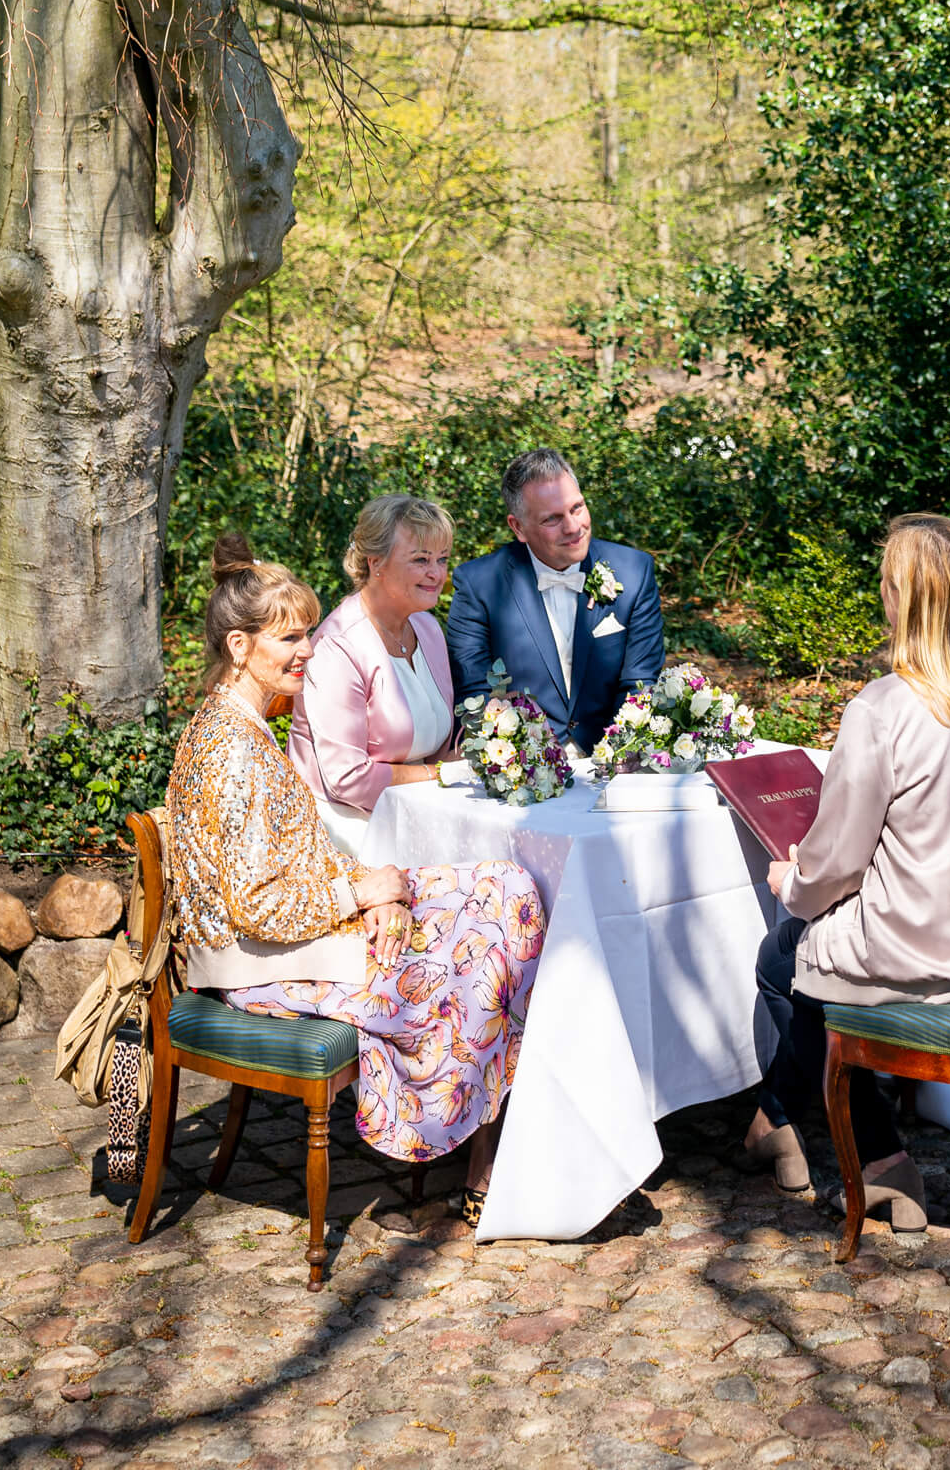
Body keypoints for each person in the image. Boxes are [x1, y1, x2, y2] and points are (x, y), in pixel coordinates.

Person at [167, 534, 545, 1222]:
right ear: (239, 648)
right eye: (290, 637)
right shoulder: (230, 749)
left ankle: (472, 1112)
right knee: (465, 956)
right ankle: (466, 1140)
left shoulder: (247, 724)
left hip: (306, 923)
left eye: (309, 632)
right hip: (260, 967)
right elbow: (256, 907)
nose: (307, 649)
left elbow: (299, 848)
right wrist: (360, 896)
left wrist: (378, 888)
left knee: (505, 889)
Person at [747, 514, 950, 1228]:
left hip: (922, 951)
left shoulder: (886, 707)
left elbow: (833, 869)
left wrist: (789, 882)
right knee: (808, 953)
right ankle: (774, 1127)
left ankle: (877, 1160)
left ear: (904, 600)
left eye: (888, 585)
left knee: (783, 957)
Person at [446, 447, 665, 751]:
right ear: (518, 527)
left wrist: (617, 756)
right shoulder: (479, 586)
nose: (573, 527)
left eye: (577, 508)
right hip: (522, 765)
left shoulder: (634, 572)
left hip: (614, 759)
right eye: (552, 519)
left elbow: (641, 684)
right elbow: (475, 693)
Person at [289, 495, 458, 857]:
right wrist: (438, 777)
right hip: (349, 827)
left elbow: (439, 747)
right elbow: (347, 781)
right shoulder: (339, 647)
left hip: (422, 809)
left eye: (442, 559)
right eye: (420, 560)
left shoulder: (428, 629)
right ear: (376, 562)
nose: (437, 573)